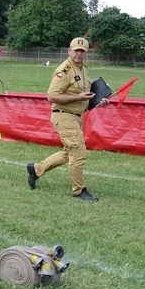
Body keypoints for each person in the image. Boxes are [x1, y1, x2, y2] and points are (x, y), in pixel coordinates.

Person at [26, 37, 106, 201]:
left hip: (76, 116)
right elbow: (51, 96)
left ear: (86, 53)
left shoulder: (83, 69)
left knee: (68, 152)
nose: (79, 54)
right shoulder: (65, 70)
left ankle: (36, 169)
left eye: (82, 51)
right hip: (64, 115)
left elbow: (86, 93)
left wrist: (99, 99)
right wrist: (77, 98)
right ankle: (79, 190)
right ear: (69, 51)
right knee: (78, 152)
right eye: (76, 50)